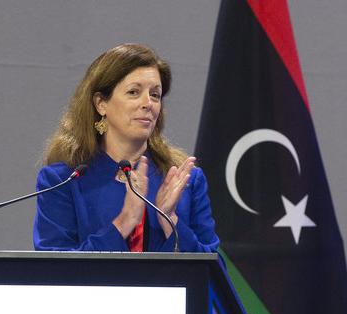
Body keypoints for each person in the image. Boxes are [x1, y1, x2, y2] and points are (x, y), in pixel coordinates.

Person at [33, 43, 220, 253]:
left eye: (155, 95)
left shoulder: (185, 181)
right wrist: (124, 222)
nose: (148, 103)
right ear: (101, 104)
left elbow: (214, 267)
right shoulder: (63, 180)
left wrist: (171, 220)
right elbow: (54, 266)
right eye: (133, 92)